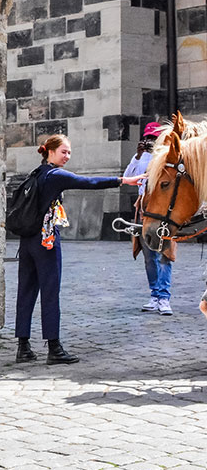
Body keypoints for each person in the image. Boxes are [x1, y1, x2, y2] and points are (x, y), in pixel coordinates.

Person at [15, 134, 142, 365]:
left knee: (25, 292)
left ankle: (22, 347)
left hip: (27, 241)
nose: (67, 156)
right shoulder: (55, 175)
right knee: (50, 292)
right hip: (47, 240)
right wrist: (123, 181)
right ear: (50, 151)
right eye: (64, 151)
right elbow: (88, 182)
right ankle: (54, 348)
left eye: (69, 152)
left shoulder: (37, 173)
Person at [123, 123, 172, 316]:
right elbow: (127, 177)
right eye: (148, 139)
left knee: (165, 254)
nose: (150, 142)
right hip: (144, 208)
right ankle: (154, 294)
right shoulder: (141, 157)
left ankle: (164, 297)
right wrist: (137, 156)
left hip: (163, 210)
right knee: (149, 256)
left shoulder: (169, 156)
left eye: (154, 139)